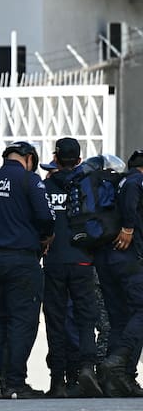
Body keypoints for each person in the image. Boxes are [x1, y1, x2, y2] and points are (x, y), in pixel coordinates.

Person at [0, 140, 55, 399]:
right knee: (23, 321)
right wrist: (45, 237)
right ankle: (15, 383)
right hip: (21, 261)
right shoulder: (30, 181)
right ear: (28, 158)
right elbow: (46, 218)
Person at [41, 138, 103, 397]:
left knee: (55, 320)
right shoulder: (87, 183)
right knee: (85, 317)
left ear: (55, 158)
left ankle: (58, 382)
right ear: (79, 160)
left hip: (53, 261)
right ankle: (86, 367)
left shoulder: (43, 186)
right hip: (82, 259)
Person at [95, 149, 143, 396]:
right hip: (129, 258)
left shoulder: (116, 182)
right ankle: (119, 360)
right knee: (141, 310)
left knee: (119, 319)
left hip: (107, 258)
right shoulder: (136, 181)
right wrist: (128, 227)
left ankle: (118, 382)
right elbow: (131, 205)